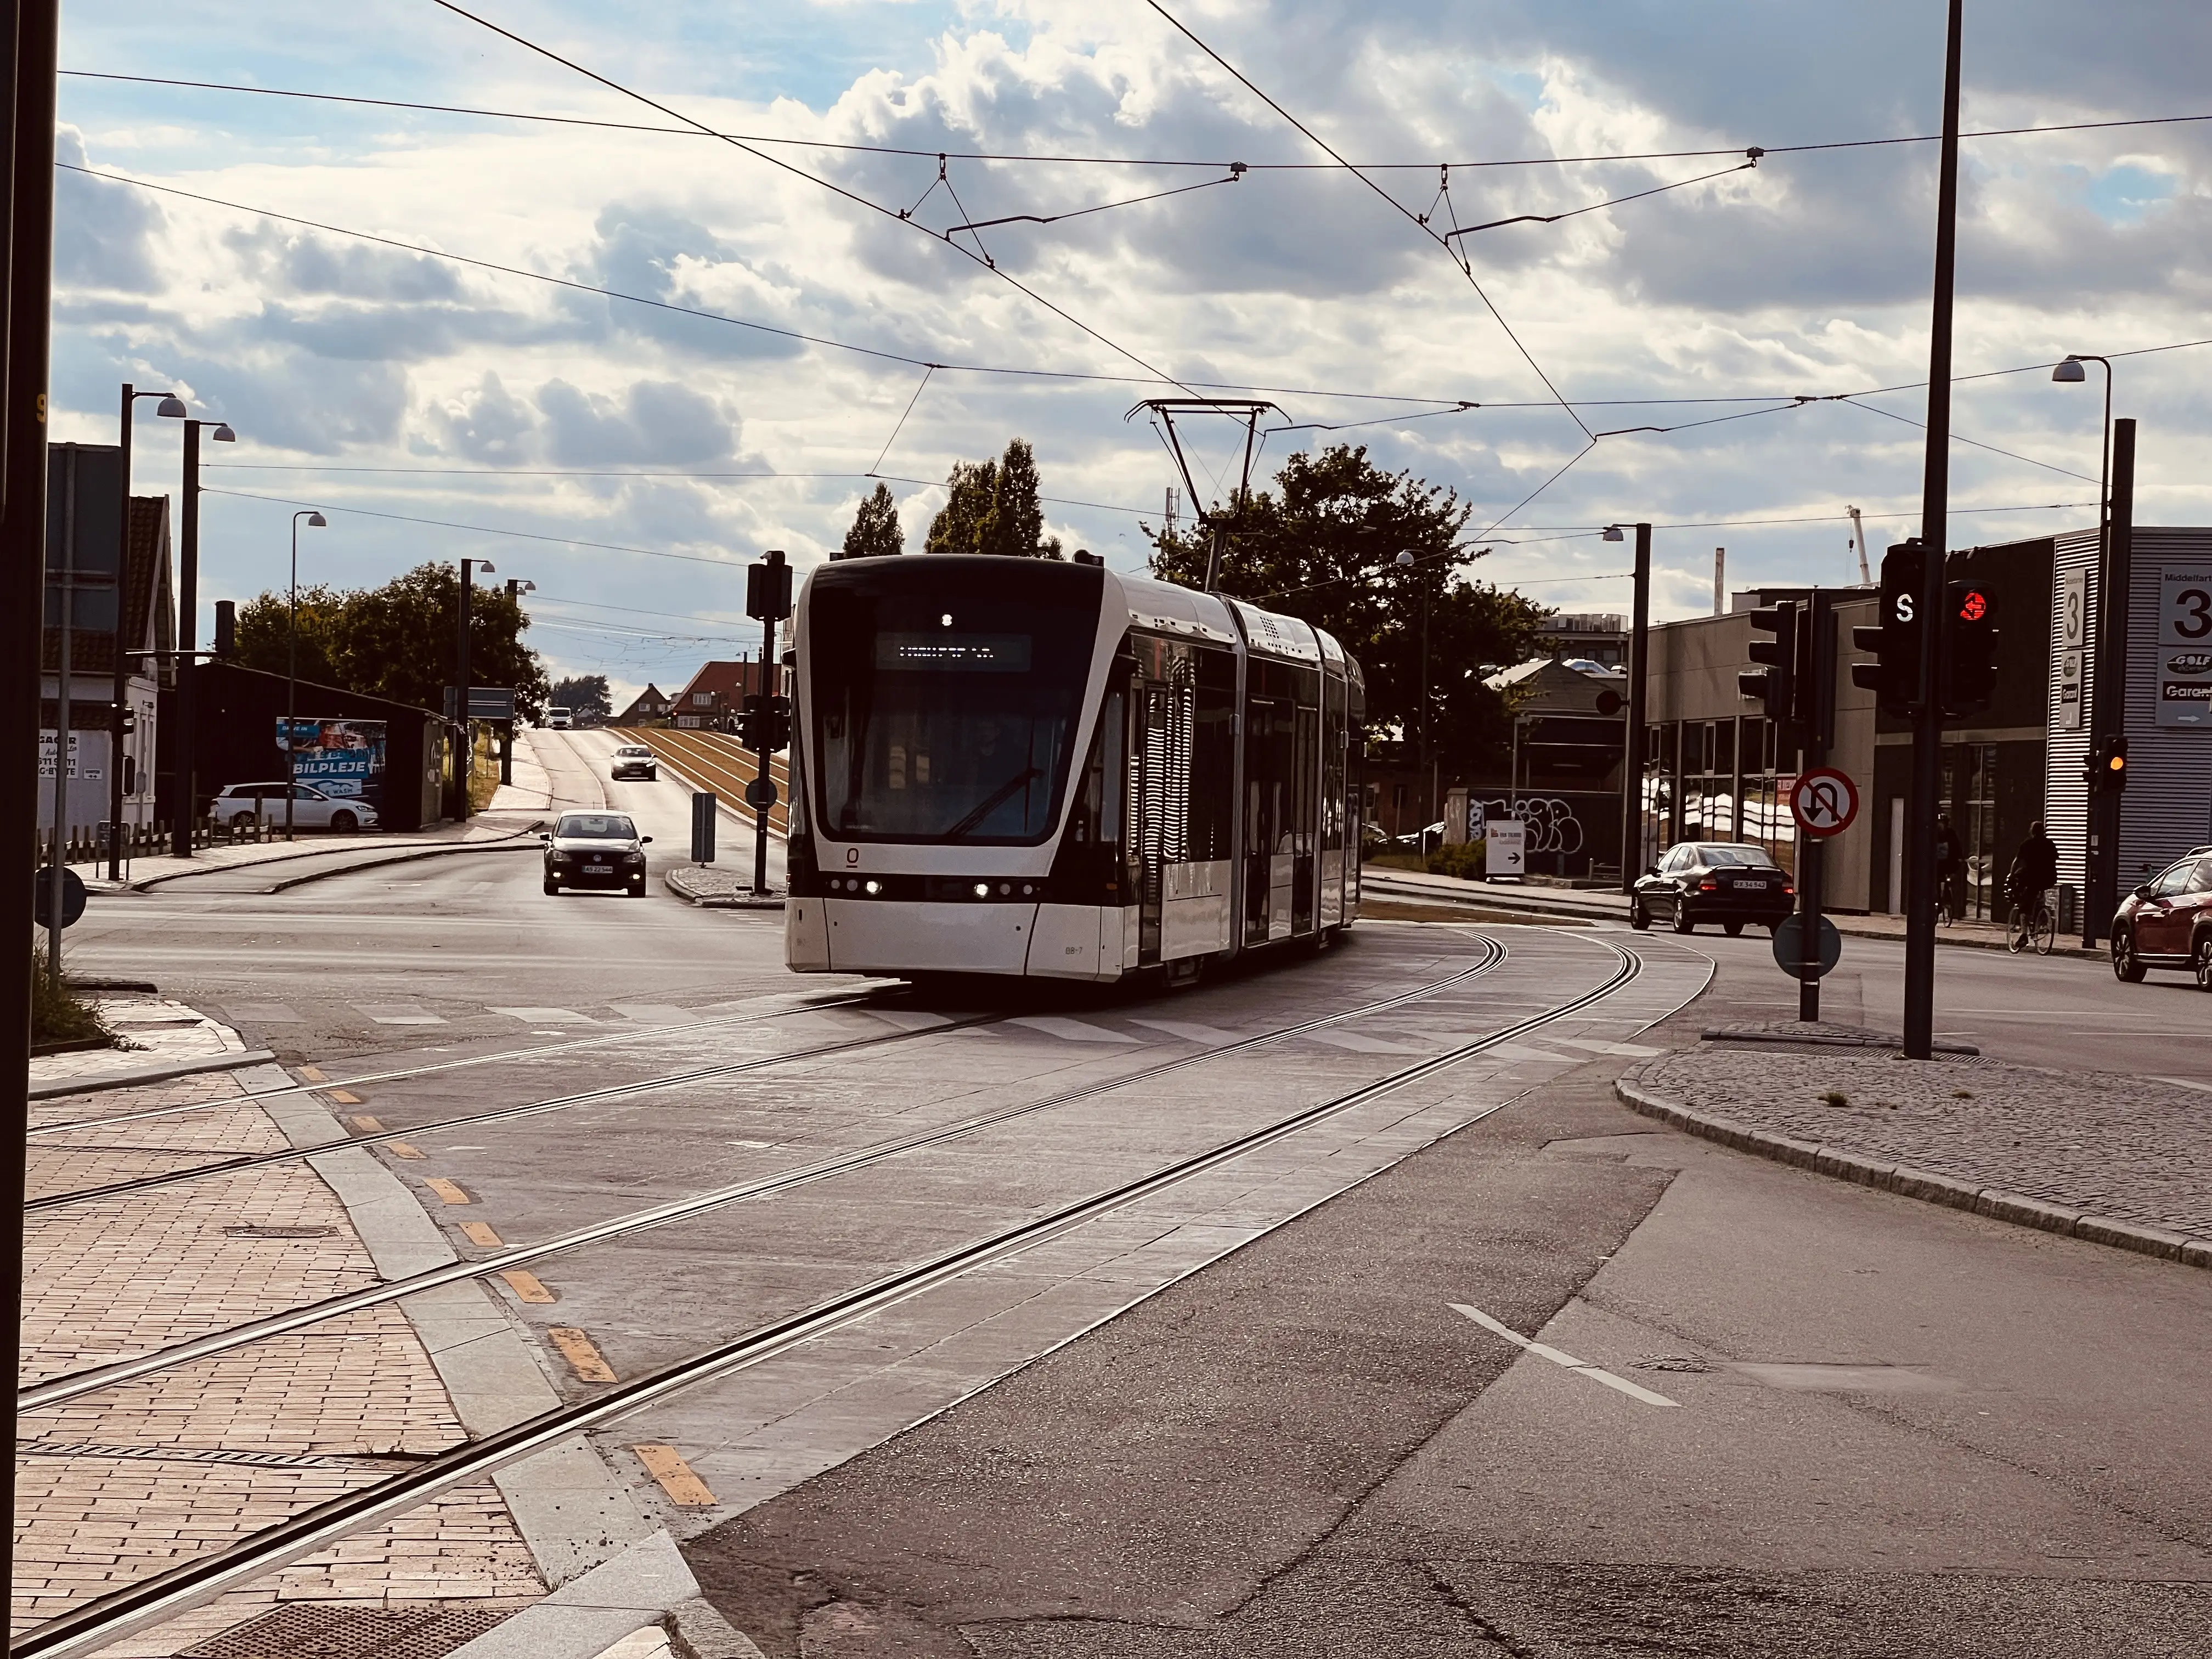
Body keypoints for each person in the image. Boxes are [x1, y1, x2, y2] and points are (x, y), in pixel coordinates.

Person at [2004, 820, 2061, 924]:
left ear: (2032, 831)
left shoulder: (2027, 844)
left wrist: (2012, 874)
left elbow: (2017, 861)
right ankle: (2042, 912)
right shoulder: (2050, 844)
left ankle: (2024, 933)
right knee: (2040, 891)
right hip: (2049, 878)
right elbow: (2055, 860)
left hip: (2033, 879)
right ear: (2044, 831)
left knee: (2025, 903)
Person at [1934, 812, 1965, 922]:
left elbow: (1957, 847)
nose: (1941, 826)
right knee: (1935, 883)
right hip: (1936, 864)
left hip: (1949, 864)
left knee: (1950, 880)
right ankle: (1936, 904)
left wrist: (1960, 858)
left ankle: (1948, 900)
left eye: (1943, 823)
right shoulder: (1933, 834)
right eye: (1939, 823)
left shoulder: (1951, 834)